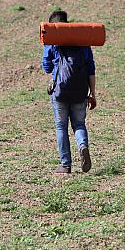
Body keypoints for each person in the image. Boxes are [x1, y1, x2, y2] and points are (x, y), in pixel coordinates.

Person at [42, 10, 97, 174]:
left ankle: (65, 165)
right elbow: (91, 69)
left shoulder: (52, 42)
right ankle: (83, 146)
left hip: (60, 92)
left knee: (61, 127)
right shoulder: (83, 41)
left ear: (53, 26)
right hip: (80, 91)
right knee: (79, 124)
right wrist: (92, 94)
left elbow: (46, 67)